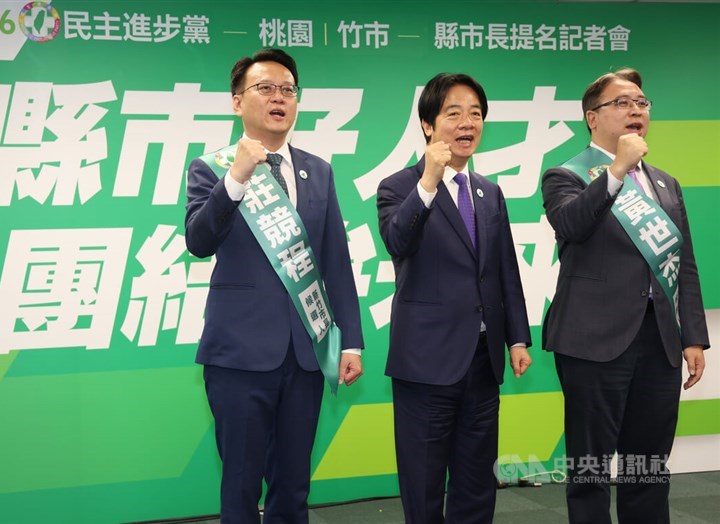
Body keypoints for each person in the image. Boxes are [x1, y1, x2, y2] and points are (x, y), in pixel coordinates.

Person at [184, 48, 364, 523]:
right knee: (240, 483)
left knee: (293, 485)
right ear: (237, 101)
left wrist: (352, 343)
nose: (279, 98)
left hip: (307, 352)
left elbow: (335, 262)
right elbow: (199, 241)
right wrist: (237, 177)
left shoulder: (318, 170)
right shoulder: (210, 168)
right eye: (265, 88)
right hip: (239, 355)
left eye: (288, 89)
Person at [541, 68, 710, 524]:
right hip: (592, 343)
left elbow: (684, 263)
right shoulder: (565, 175)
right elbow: (572, 225)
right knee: (591, 469)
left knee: (650, 467)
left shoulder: (666, 184)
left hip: (659, 344)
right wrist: (616, 171)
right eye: (622, 103)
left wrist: (693, 336)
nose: (636, 110)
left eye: (642, 102)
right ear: (592, 118)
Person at [376, 73, 533, 524]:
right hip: (426, 362)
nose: (467, 123)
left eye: (476, 114)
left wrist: (517, 338)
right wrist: (428, 181)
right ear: (429, 125)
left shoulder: (488, 192)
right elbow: (397, 242)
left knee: (476, 482)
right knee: (423, 484)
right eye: (454, 113)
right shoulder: (399, 185)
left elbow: (504, 269)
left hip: (483, 361)